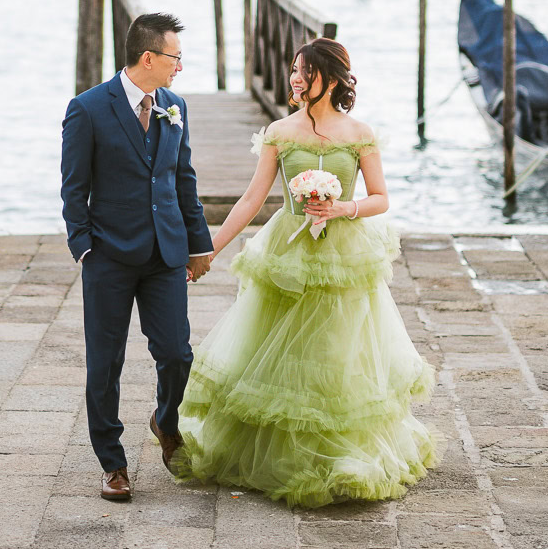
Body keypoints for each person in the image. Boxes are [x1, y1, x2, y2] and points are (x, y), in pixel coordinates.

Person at [173, 38, 437, 508]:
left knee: (339, 345)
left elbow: (380, 197)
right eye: (294, 69)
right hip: (287, 249)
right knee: (278, 345)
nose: (296, 78)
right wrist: (208, 249)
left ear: (333, 78)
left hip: (344, 250)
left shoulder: (359, 133)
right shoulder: (281, 131)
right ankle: (283, 453)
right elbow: (253, 198)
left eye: (306, 71)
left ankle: (342, 453)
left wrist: (343, 208)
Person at [60, 11, 214, 503]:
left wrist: (197, 244)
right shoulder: (87, 109)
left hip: (165, 253)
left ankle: (166, 422)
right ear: (148, 57)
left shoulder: (174, 106)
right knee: (105, 363)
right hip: (108, 255)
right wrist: (84, 247)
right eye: (175, 58)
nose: (180, 68)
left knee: (176, 354)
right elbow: (73, 188)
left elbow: (182, 180)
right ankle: (112, 461)